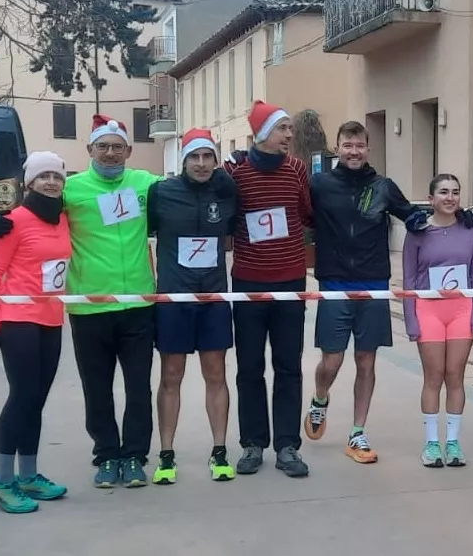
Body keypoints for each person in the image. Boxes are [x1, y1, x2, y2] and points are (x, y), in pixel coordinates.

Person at [0, 114, 159, 488]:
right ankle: (106, 455)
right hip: (89, 307)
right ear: (90, 150)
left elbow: (190, 195)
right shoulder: (72, 190)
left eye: (117, 147)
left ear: (129, 151)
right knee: (96, 388)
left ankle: (134, 456)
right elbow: (32, 210)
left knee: (138, 388)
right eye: (103, 147)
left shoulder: (147, 183)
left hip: (138, 305)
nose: (111, 154)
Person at [303, 120, 435, 465]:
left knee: (366, 360)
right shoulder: (319, 185)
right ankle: (319, 400)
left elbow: (413, 216)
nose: (354, 151)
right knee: (331, 361)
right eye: (348, 145)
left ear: (368, 148)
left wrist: (454, 220)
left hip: (373, 284)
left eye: (360, 145)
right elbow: (295, 212)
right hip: (334, 283)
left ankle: (357, 431)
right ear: (338, 148)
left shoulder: (382, 186)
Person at [224, 101, 312, 478]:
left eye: (290, 130)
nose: (289, 136)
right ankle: (252, 444)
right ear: (262, 134)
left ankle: (288, 445)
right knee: (249, 368)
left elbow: (308, 213)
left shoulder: (296, 170)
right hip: (248, 284)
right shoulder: (236, 174)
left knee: (289, 366)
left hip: (290, 283)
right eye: (282, 130)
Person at [0, 152, 71, 513]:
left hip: (51, 318)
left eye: (57, 176)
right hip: (17, 319)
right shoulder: (13, 221)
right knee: (22, 396)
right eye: (43, 176)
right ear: (29, 183)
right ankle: (1, 481)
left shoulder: (64, 217)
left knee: (37, 399)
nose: (51, 182)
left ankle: (29, 475)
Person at [149, 129, 238, 484]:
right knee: (171, 377)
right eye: (194, 157)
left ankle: (219, 453)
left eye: (207, 157)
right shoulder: (161, 193)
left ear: (216, 161)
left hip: (214, 298)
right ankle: (166, 456)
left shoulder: (227, 192)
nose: (201, 164)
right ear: (183, 161)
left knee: (215, 375)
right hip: (174, 299)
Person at [403, 174, 473, 468]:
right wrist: (411, 319)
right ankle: (431, 443)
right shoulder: (417, 231)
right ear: (431, 199)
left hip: (462, 310)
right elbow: (409, 279)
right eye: (443, 192)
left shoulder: (471, 230)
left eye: (455, 192)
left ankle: (452, 442)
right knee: (433, 375)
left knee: (455, 374)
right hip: (428, 310)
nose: (450, 198)